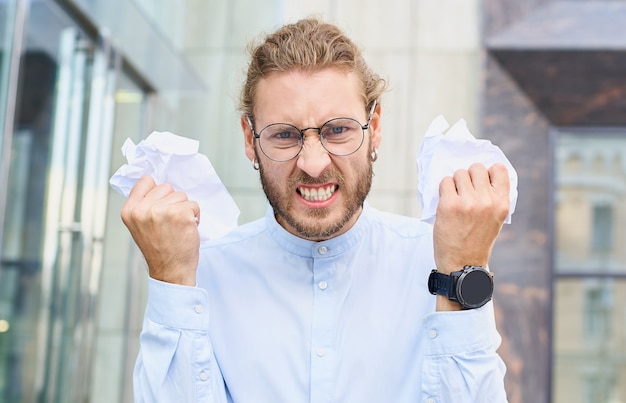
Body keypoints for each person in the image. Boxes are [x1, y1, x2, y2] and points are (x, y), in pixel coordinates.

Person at [121, 18, 510, 403]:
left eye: (337, 130)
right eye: (284, 135)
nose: (312, 162)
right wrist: (170, 278)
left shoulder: (441, 263)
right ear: (248, 139)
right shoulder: (200, 277)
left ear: (373, 127)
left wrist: (462, 271)